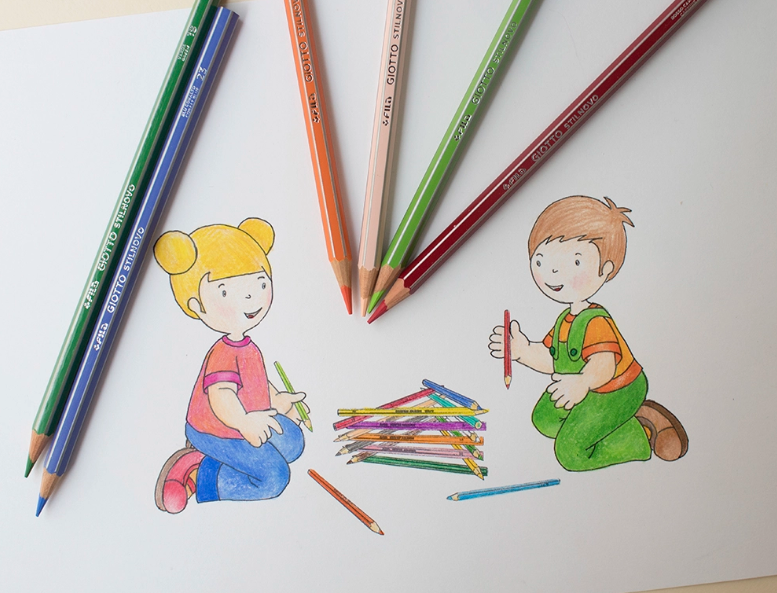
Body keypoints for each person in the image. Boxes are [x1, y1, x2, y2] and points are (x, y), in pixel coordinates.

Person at [489, 196, 687, 471]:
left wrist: (582, 383)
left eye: (575, 262)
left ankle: (642, 432)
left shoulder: (596, 322)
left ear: (605, 270)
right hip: (583, 386)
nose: (553, 272)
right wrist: (522, 351)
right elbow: (552, 358)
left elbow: (604, 365)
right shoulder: (565, 319)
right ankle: (631, 418)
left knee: (570, 452)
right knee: (544, 419)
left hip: (617, 390)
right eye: (541, 260)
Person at [153, 218, 307, 512]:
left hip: (247, 421)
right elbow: (221, 396)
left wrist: (277, 400)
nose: (250, 297)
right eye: (225, 291)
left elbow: (256, 384)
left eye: (260, 283)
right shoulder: (222, 354)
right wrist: (245, 423)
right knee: (275, 477)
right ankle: (199, 472)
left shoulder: (249, 347)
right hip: (217, 430)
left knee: (294, 443)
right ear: (197, 306)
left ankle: (216, 461)